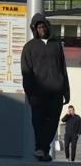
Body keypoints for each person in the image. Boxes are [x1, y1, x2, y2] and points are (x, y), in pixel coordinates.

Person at [22, 13, 70, 162]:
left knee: (53, 123)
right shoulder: (29, 47)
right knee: (38, 122)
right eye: (39, 27)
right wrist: (30, 94)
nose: (42, 29)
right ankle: (41, 149)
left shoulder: (56, 45)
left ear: (47, 27)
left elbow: (63, 68)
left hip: (56, 92)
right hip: (38, 93)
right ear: (34, 29)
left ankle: (42, 150)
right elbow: (26, 72)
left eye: (43, 26)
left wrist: (66, 91)